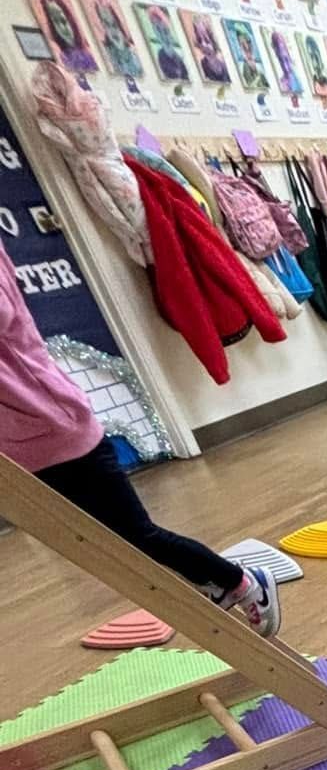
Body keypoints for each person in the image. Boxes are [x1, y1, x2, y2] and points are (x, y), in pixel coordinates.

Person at [0, 246, 280, 634]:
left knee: (136, 535)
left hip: (57, 427)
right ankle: (220, 583)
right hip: (17, 446)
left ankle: (241, 581)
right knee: (99, 546)